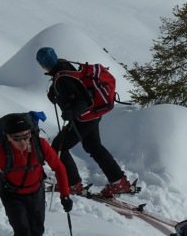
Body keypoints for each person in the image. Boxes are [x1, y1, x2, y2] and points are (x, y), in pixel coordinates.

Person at [36, 46, 131, 197]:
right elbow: (76, 89)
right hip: (92, 115)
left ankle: (73, 184)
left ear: (43, 64)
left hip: (84, 118)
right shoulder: (63, 66)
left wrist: (71, 112)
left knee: (59, 147)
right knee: (93, 147)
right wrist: (55, 94)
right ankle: (118, 182)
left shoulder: (62, 77)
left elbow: (83, 100)